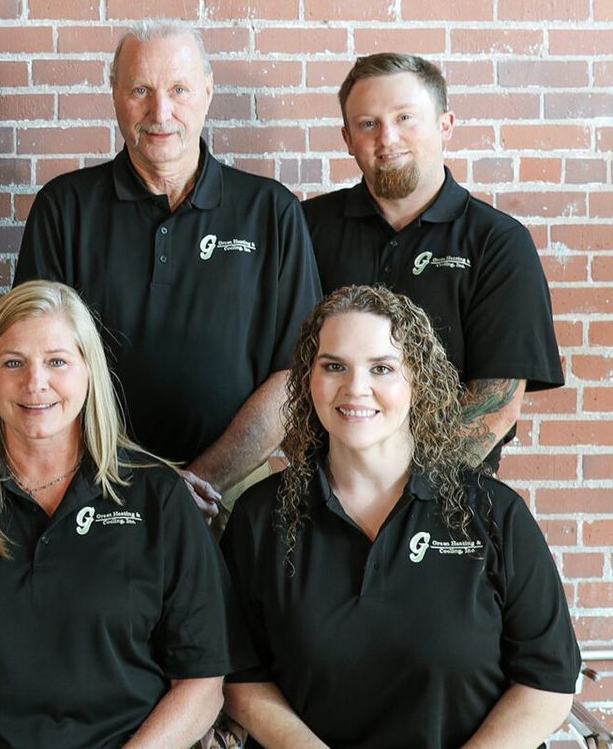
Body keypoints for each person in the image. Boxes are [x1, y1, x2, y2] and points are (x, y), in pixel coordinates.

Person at [0, 281, 229, 747]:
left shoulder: (159, 497)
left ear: (89, 370)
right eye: (13, 362)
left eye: (57, 361)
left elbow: (202, 682)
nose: (35, 383)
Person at [222, 285, 579, 746]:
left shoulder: (494, 514)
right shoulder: (260, 518)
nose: (355, 388)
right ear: (309, 379)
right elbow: (239, 674)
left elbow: (548, 682)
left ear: (418, 380)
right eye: (334, 366)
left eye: (382, 368)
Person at [14, 20, 321, 517]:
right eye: (141, 90)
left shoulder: (271, 212)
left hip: (231, 494)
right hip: (95, 487)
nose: (160, 112)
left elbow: (295, 374)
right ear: (115, 95)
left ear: (207, 92)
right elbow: (39, 367)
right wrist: (135, 481)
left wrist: (202, 481)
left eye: (179, 90)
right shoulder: (64, 209)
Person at [305, 52, 563, 472]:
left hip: (451, 490)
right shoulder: (305, 229)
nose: (387, 138)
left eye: (405, 118)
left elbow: (495, 405)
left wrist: (410, 492)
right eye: (368, 124)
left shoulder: (497, 243)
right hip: (324, 485)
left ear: (445, 126)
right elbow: (286, 372)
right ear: (348, 139)